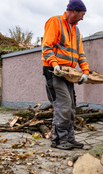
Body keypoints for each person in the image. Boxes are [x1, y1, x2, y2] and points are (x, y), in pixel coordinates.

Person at [41, 0, 89, 150]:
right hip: (54, 71)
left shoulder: (76, 31)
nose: (82, 18)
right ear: (74, 11)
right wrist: (55, 65)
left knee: (71, 106)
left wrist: (85, 72)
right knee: (63, 105)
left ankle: (69, 138)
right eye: (82, 15)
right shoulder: (55, 22)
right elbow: (47, 47)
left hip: (68, 73)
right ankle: (58, 140)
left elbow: (80, 54)